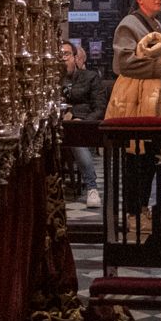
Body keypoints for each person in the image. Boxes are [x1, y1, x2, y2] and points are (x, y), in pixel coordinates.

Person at [111, 0, 161, 228]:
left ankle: (142, 207)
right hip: (137, 100)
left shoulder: (158, 25)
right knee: (135, 157)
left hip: (156, 100)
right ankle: (132, 213)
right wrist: (160, 69)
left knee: (149, 157)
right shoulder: (129, 24)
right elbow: (124, 62)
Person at [61, 41, 108, 208]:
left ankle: (91, 187)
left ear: (75, 57)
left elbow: (100, 106)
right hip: (57, 124)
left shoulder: (90, 77)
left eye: (66, 54)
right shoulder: (52, 79)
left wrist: (83, 122)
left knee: (76, 138)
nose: (62, 58)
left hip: (82, 125)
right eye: (59, 55)